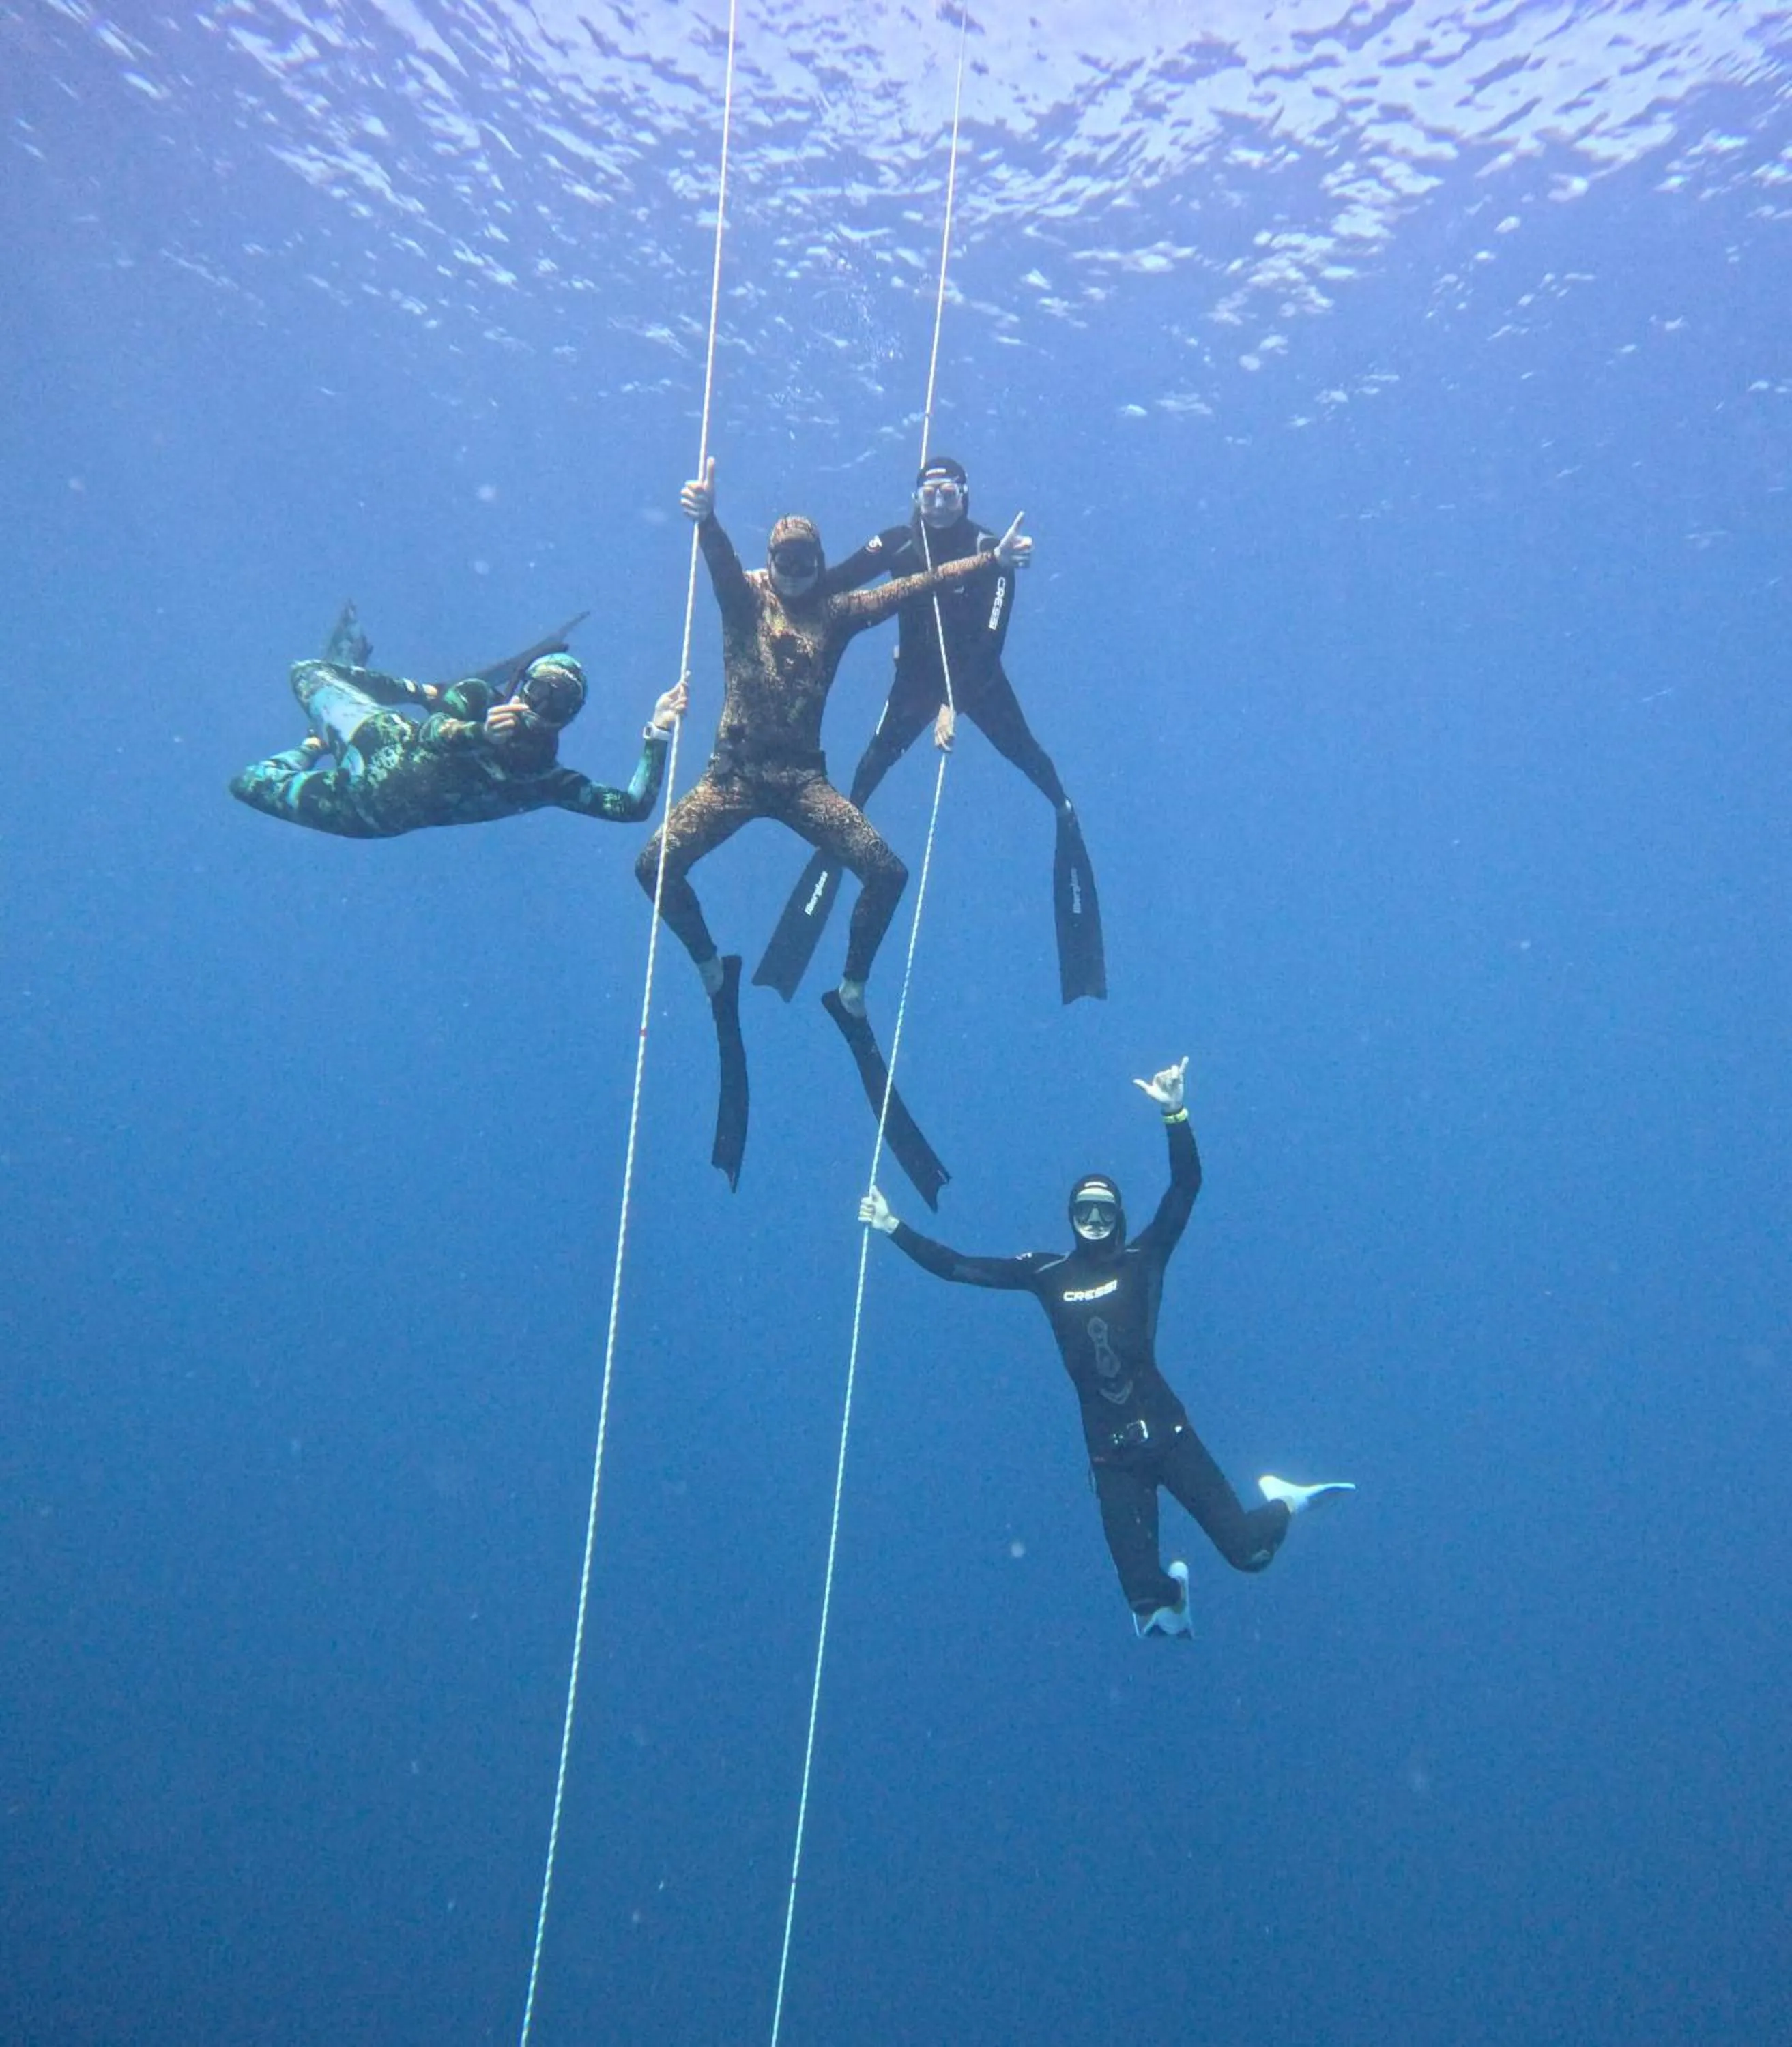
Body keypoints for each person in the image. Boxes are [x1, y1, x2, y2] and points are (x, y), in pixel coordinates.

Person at [859, 1057, 1353, 1639]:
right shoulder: (1047, 1272)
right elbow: (960, 1268)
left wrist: (1175, 1112)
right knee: (1144, 1600)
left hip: (1170, 1438)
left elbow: (1185, 1187)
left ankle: (1286, 1502)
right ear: (1071, 1217)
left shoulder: (1143, 1259)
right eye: (1083, 1211)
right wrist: (894, 1227)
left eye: (1104, 1210)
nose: (1093, 1220)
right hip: (1111, 1460)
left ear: (1118, 1215)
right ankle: (1172, 1599)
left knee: (1249, 1554)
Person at [639, 457, 1028, 1197]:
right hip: (731, 777)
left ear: (820, 565)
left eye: (805, 562)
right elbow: (717, 557)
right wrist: (708, 516)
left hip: (803, 782)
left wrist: (992, 560)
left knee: (886, 871)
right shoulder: (742, 596)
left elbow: (917, 585)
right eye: (783, 560)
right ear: (770, 560)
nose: (792, 573)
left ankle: (848, 991)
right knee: (652, 865)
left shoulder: (839, 611)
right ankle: (709, 966)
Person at [756, 453, 1103, 1006]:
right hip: (916, 682)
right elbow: (838, 582)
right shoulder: (897, 543)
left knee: (1037, 766)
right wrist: (779, 580)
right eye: (929, 494)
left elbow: (991, 644)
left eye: (949, 493)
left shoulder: (993, 548)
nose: (938, 503)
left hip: (980, 683)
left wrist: (953, 703)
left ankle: (1068, 833)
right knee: (868, 772)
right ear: (917, 499)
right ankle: (834, 850)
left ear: (965, 495)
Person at [231, 603, 685, 839]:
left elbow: (631, 808)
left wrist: (659, 732)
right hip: (381, 736)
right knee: (306, 672)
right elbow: (431, 734)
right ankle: (421, 691)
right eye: (537, 691)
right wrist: (478, 732)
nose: (540, 706)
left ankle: (316, 743)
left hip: (365, 811)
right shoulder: (478, 699)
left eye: (557, 704)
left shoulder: (547, 782)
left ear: (565, 720)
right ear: (523, 685)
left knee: (248, 782)